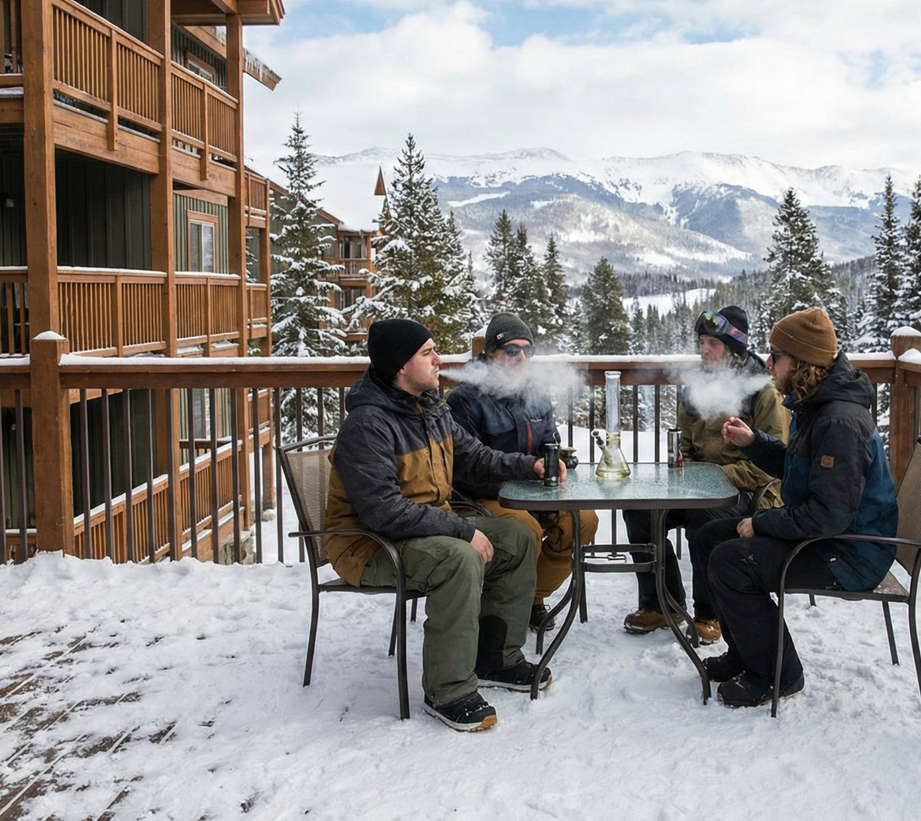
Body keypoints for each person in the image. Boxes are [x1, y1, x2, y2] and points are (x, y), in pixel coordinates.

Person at [324, 319, 560, 732]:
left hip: (423, 530)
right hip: (369, 545)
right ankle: (447, 690)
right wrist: (463, 530)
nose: (438, 361)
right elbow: (383, 511)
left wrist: (531, 465)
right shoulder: (368, 426)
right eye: (427, 353)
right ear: (401, 366)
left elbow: (477, 458)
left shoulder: (430, 408)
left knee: (519, 538)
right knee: (459, 558)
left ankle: (496, 658)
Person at [692, 306, 899, 708]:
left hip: (849, 552)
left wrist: (763, 522)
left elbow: (829, 514)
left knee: (733, 560)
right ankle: (746, 653)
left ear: (802, 362)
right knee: (710, 537)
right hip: (829, 537)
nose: (768, 363)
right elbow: (799, 468)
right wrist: (754, 444)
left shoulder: (839, 421)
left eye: (776, 356)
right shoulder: (815, 404)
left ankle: (777, 674)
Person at [621, 306, 788, 644]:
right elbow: (685, 442)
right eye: (701, 342)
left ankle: (709, 613)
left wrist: (715, 477)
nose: (703, 350)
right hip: (698, 483)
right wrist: (681, 468)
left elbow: (772, 461)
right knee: (638, 510)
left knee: (707, 519)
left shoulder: (762, 390)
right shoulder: (696, 385)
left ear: (734, 347)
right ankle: (659, 602)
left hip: (749, 490)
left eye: (713, 343)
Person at [448, 312, 600, 632]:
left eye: (527, 350)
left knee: (584, 520)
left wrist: (555, 460)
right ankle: (501, 609)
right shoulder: (465, 399)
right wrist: (523, 478)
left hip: (531, 490)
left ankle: (531, 598)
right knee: (526, 529)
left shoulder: (535, 394)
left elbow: (549, 441)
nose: (521, 358)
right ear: (491, 354)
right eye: (511, 350)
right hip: (481, 496)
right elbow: (466, 466)